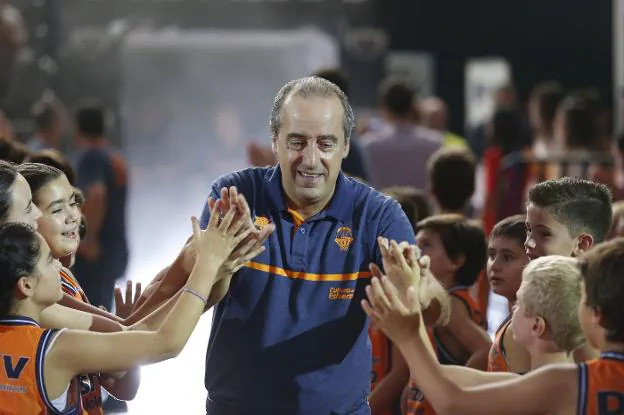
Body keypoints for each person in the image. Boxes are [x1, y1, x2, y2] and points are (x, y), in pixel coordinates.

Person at [197, 76, 450, 414]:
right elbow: (195, 296)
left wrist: (417, 292)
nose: (311, 159)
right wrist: (217, 269)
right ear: (275, 141)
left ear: (346, 145)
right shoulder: (234, 197)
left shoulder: (376, 215)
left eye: (326, 143)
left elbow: (436, 304)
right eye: (297, 142)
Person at [0, 200, 251, 413]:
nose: (57, 267)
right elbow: (164, 343)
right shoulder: (57, 348)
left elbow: (127, 339)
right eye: (47, 262)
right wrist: (206, 265)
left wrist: (215, 275)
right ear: (26, 285)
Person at [363, 237, 624, 415]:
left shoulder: (565, 383)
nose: (513, 308)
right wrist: (413, 293)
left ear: (596, 314)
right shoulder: (546, 381)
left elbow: (450, 401)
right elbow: (436, 377)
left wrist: (409, 333)